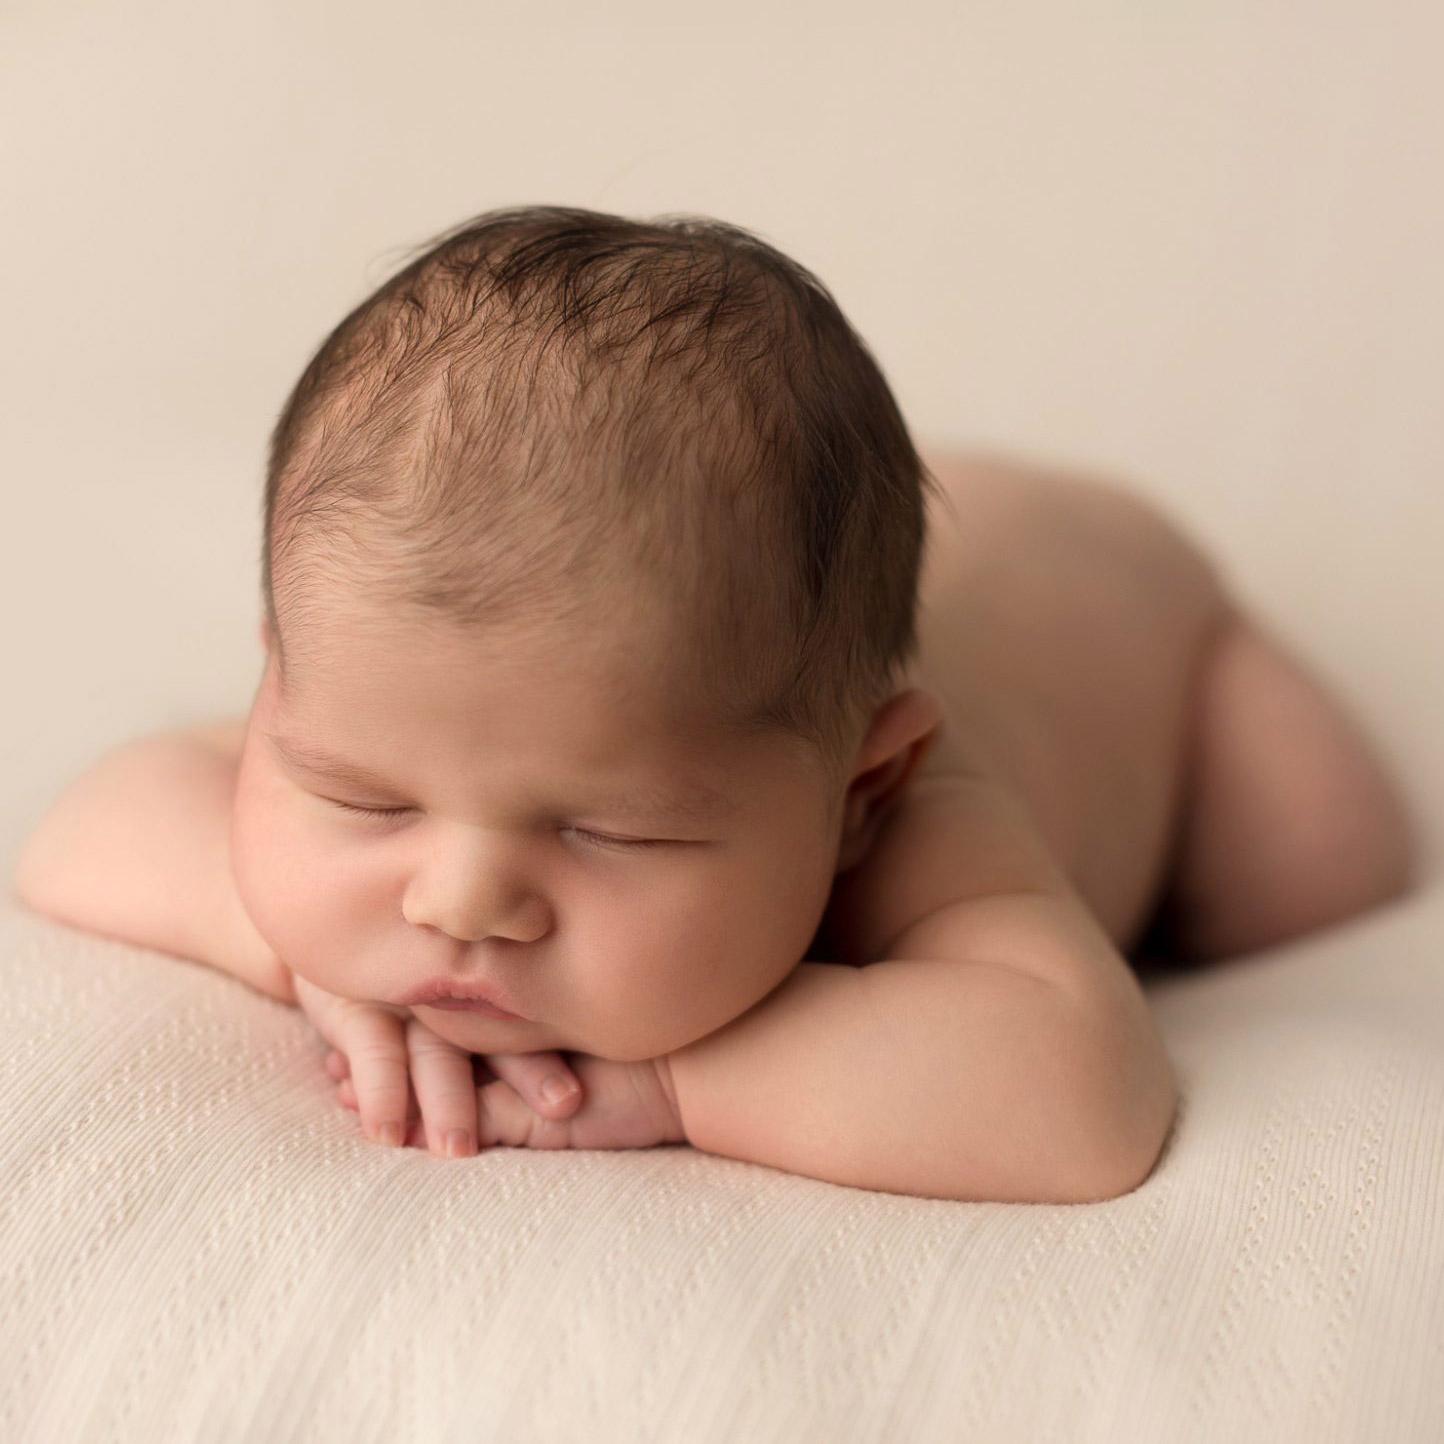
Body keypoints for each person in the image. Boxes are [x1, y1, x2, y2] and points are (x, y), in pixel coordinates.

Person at [12, 205, 1421, 1203]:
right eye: (360, 797)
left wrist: (683, 1087)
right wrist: (303, 961)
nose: (462, 899)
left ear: (860, 793)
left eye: (611, 833)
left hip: (1137, 613)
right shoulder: (433, 676)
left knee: (1313, 869)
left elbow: (1082, 1100)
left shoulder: (923, 823)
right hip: (829, 572)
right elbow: (86, 829)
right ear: (275, 685)